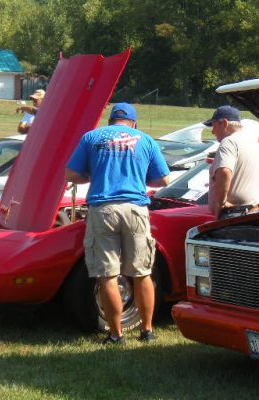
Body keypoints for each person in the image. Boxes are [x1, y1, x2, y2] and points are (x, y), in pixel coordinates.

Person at [65, 103, 170, 344]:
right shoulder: (145, 140)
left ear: (111, 120)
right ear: (133, 123)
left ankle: (116, 334)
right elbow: (163, 178)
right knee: (142, 272)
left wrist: (92, 175)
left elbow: (70, 174)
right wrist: (140, 175)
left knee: (107, 274)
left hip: (103, 209)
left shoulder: (91, 137)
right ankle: (147, 330)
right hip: (135, 209)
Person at [205, 105, 259, 219]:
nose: (213, 132)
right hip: (258, 210)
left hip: (237, 213)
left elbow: (224, 171)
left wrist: (220, 203)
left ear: (224, 123)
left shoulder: (228, 142)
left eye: (213, 126)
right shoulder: (255, 144)